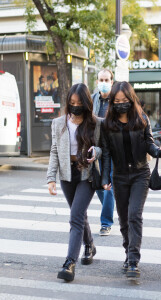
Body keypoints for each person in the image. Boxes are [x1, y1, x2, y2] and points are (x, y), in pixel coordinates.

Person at [101, 81, 161, 279]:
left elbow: (149, 143)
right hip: (119, 176)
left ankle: (133, 260)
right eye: (117, 101)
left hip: (141, 174)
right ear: (112, 102)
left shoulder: (141, 118)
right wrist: (105, 177)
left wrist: (160, 151)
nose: (121, 104)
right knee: (123, 220)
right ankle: (127, 253)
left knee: (134, 215)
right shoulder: (107, 124)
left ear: (131, 100)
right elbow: (106, 153)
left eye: (125, 100)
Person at [47, 83, 102, 282]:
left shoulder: (96, 123)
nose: (75, 106)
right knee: (78, 214)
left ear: (86, 103)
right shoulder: (58, 123)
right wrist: (50, 178)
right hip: (67, 174)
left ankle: (69, 263)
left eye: (79, 103)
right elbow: (54, 151)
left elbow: (103, 149)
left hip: (87, 174)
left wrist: (96, 152)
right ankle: (89, 245)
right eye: (72, 102)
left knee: (76, 216)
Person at [92, 68, 115, 236]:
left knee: (109, 185)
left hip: (114, 147)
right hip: (97, 147)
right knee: (99, 183)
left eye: (107, 80)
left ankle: (106, 222)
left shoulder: (117, 99)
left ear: (112, 82)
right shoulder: (92, 99)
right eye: (101, 80)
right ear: (97, 81)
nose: (104, 83)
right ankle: (110, 207)